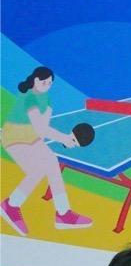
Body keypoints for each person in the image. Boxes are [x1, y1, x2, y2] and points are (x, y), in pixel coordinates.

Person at [2, 65, 92, 233]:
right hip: (14, 137)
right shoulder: (30, 98)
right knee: (37, 170)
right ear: (36, 80)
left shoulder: (47, 99)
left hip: (31, 138)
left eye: (50, 83)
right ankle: (11, 206)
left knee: (52, 162)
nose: (47, 85)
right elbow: (40, 128)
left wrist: (61, 140)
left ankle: (63, 214)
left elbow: (42, 128)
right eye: (44, 82)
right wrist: (64, 138)